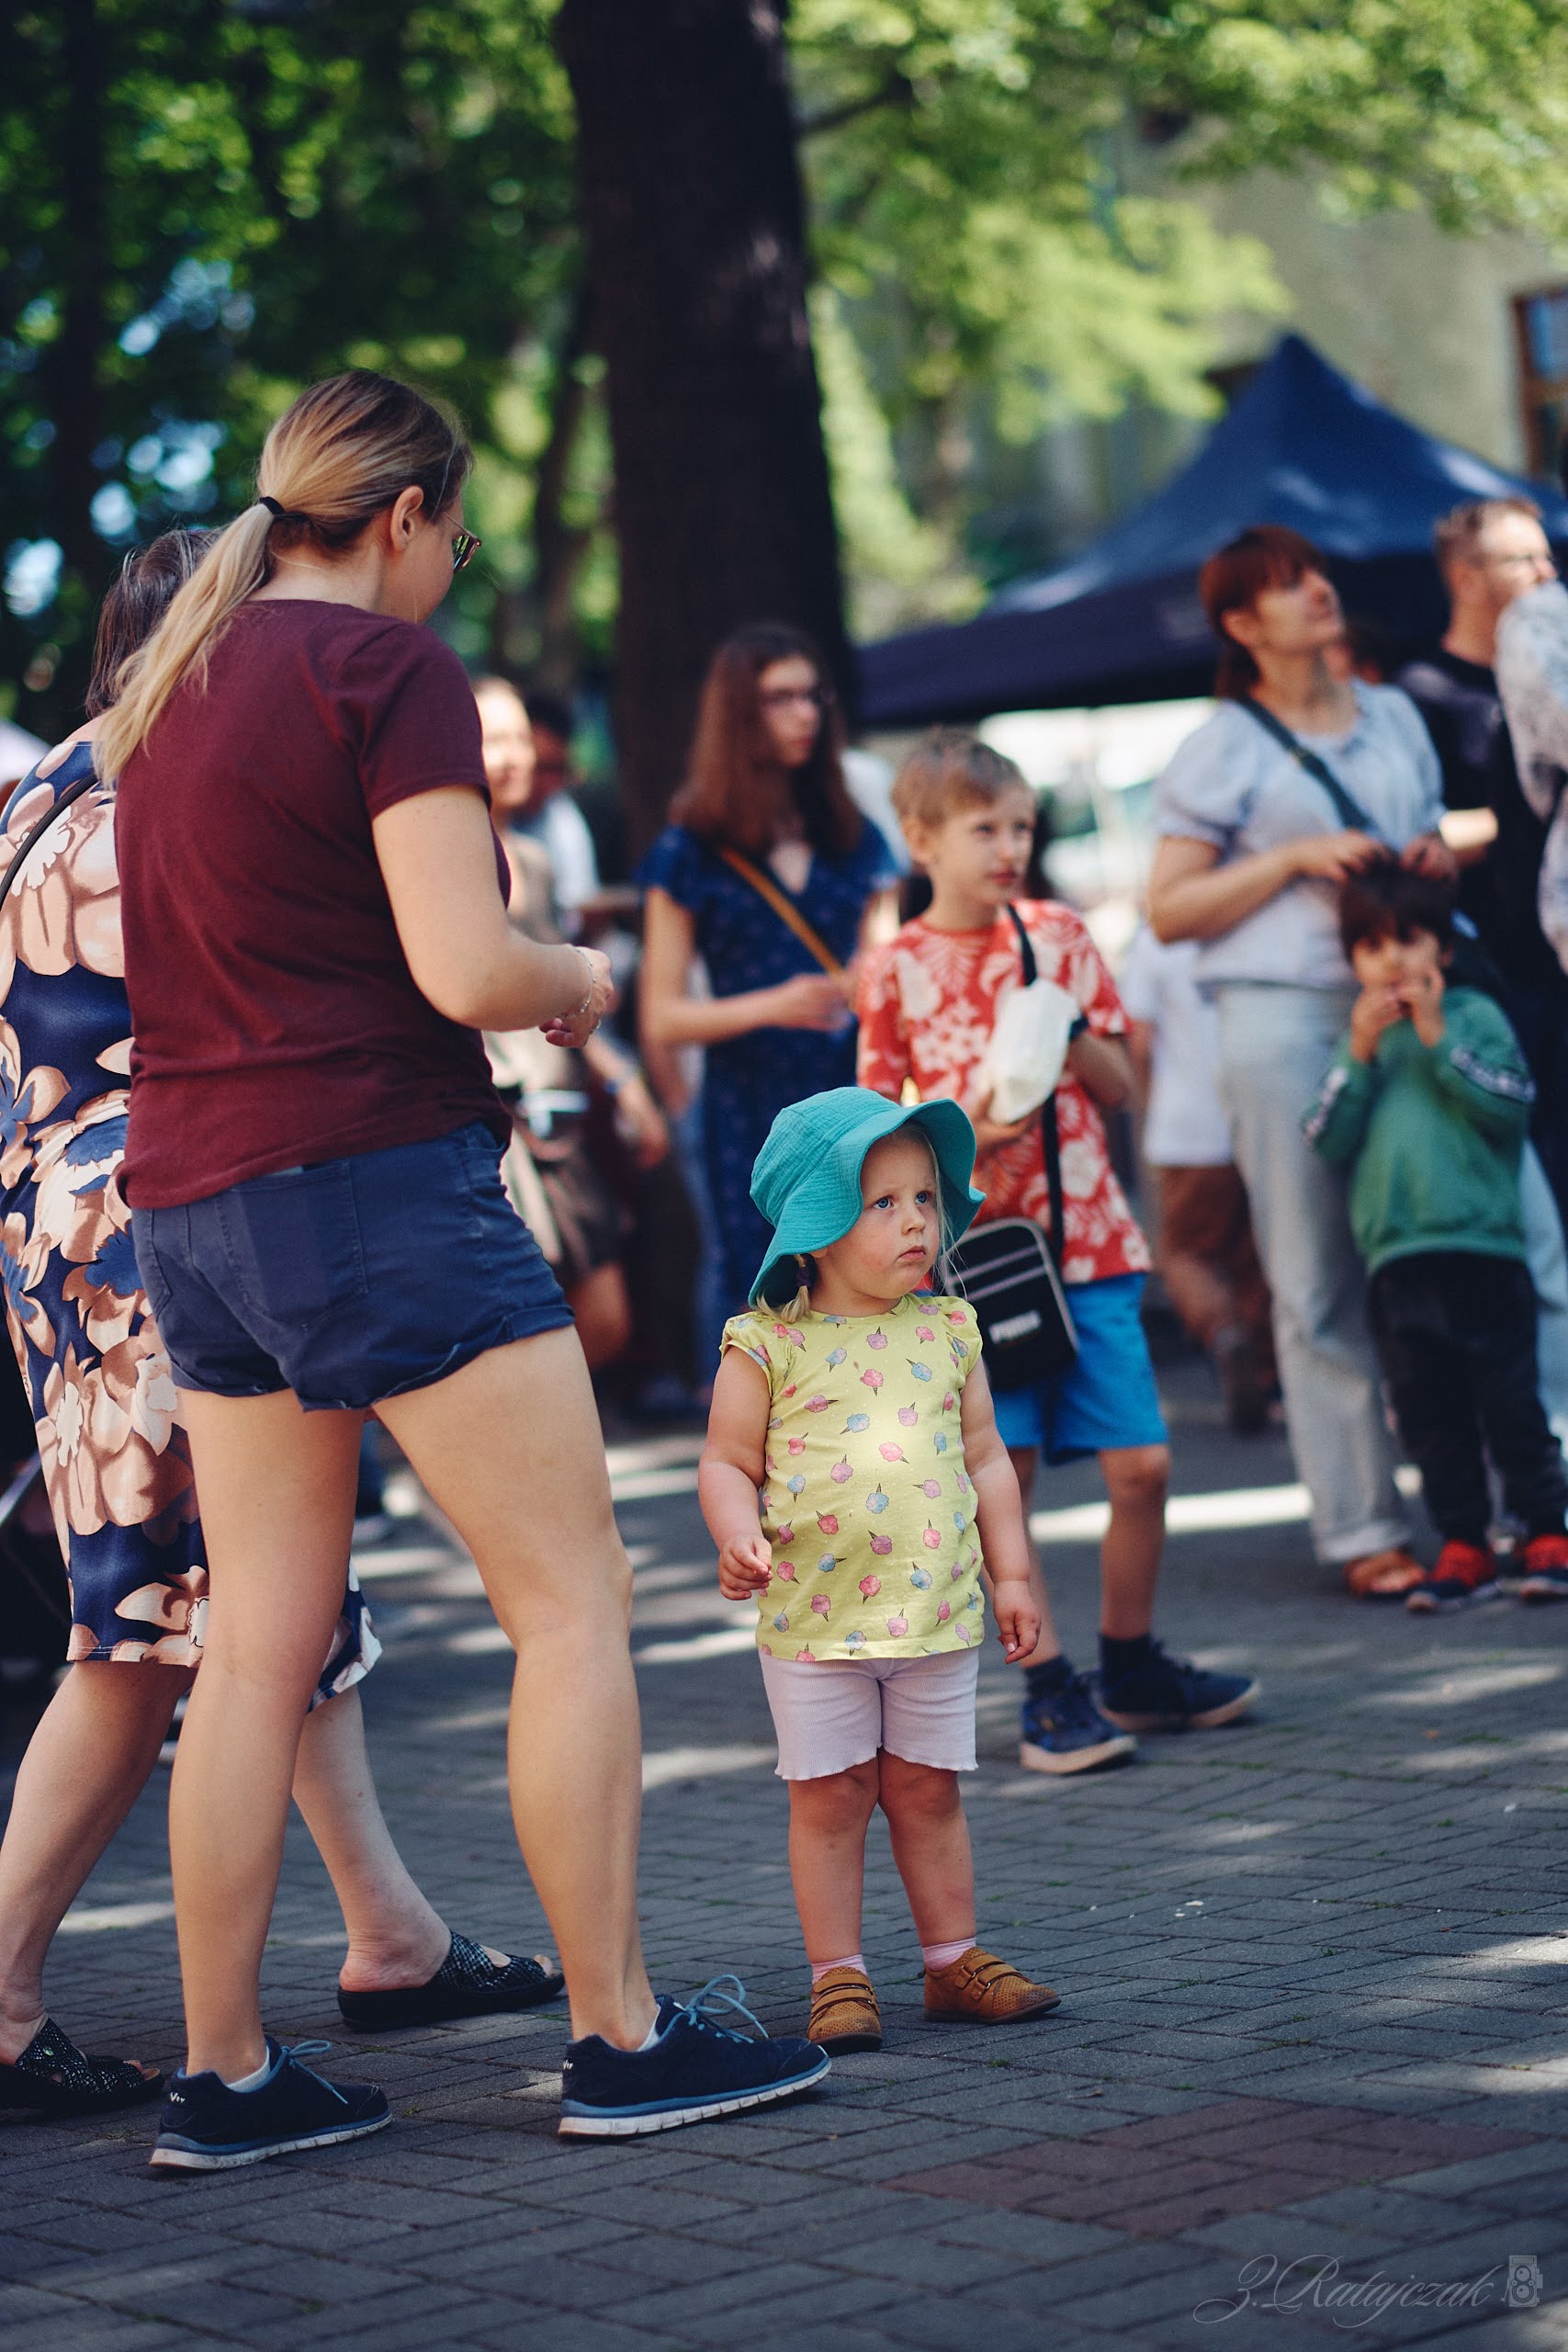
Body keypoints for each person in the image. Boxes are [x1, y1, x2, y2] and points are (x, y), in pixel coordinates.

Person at [99, 370, 827, 2166]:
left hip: (195, 1201)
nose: (455, 568)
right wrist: (575, 976)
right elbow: (463, 967)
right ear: (408, 514)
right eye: (461, 536)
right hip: (373, 1180)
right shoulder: (384, 668)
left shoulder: (174, 678)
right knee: (571, 1603)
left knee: (254, 1651)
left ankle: (224, 2075)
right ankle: (620, 2038)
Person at [0, 532, 560, 2123]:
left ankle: (389, 1932)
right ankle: (10, 1994)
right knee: (152, 1634)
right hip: (183, 1206)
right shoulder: (184, 779)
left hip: (64, 1222)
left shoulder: (43, 790)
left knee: (264, 1600)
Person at [858, 731, 1258, 1777]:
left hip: (1087, 1237)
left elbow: (1118, 1086)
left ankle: (1130, 1662)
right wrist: (963, 1137)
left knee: (1143, 1464)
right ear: (922, 840)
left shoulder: (1060, 935)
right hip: (976, 1260)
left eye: (1022, 827)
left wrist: (1065, 1026)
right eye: (984, 829)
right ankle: (1046, 1685)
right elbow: (873, 1128)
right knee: (1010, 1475)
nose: (1010, 848)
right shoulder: (893, 967)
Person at [699, 1087, 1060, 2052]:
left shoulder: (949, 1329)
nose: (915, 1222)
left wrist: (1012, 1575)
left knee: (929, 1791)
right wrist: (734, 1533)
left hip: (933, 1613)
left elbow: (987, 1459)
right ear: (815, 1229)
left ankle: (952, 1962)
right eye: (882, 1203)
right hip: (814, 1621)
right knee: (830, 1799)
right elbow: (725, 1461)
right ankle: (838, 1974)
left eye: (925, 1199)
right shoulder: (765, 1343)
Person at [1148, 526, 1454, 1601]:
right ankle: (1362, 1525)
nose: (1318, 591)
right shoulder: (1221, 745)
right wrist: (1288, 859)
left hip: (1415, 1001)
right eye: (1287, 585)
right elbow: (1169, 910)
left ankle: (1521, 1495)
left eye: (1316, 572)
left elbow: (1431, 843)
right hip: (1282, 1016)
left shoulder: (1396, 716)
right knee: (1315, 1273)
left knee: (1478, 1239)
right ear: (1242, 624)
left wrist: (1436, 859)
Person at [1304, 855, 1568, 1611]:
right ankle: (1462, 1542)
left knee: (1509, 1401)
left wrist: (1438, 1039)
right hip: (1398, 1261)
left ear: (1443, 949)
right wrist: (1357, 1054)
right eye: (1370, 945)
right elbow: (1323, 1136)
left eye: (1408, 939)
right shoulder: (1358, 1040)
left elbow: (1509, 1104)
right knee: (1429, 1415)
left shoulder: (1474, 1016)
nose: (1391, 959)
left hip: (1482, 1252)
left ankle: (1545, 1528)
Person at [637, 622, 896, 1310]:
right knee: (768, 1299)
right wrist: (775, 1005)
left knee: (869, 1284)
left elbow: (885, 960)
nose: (805, 714)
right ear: (738, 713)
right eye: (781, 698)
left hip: (852, 1090)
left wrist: (864, 980)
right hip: (749, 1108)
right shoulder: (690, 849)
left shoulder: (851, 832)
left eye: (813, 696)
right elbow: (662, 1016)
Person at [1393, 499, 1568, 1208]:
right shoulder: (1423, 692)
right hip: (1502, 964)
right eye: (1521, 559)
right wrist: (1513, 822)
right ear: (1466, 579)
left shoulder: (1551, 658)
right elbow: (1421, 838)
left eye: (1547, 555)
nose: (1545, 573)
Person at [1120, 922, 1276, 1433]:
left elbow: (1140, 1043)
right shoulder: (1249, 922)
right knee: (1253, 1255)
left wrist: (1147, 1111)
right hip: (1254, 1113)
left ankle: (1224, 1334)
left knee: (1184, 1254)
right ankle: (1266, 1374)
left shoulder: (1156, 939)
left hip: (1186, 1128)